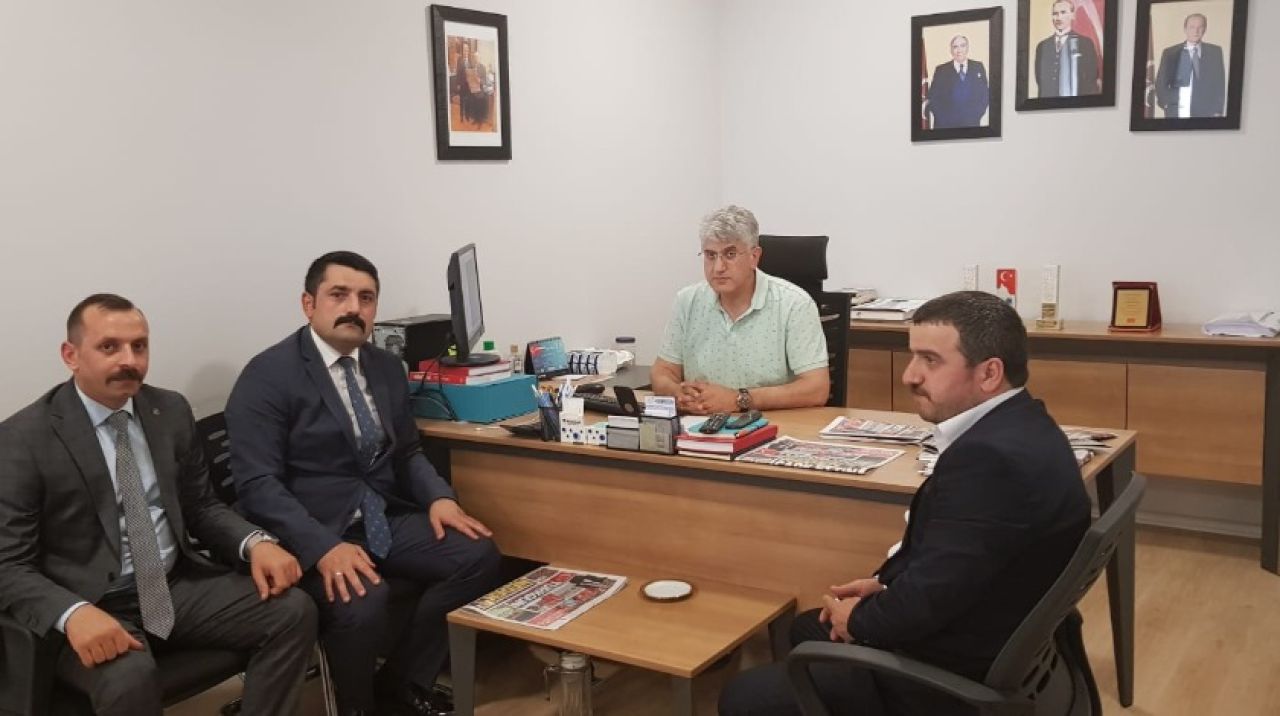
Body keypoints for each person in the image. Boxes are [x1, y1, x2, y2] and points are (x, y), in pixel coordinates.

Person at [718, 291, 1091, 716]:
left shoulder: (988, 461)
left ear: (989, 373)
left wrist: (859, 620)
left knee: (743, 697)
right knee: (808, 627)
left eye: (930, 360)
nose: (909, 376)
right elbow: (959, 562)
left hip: (948, 680)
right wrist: (885, 583)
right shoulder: (1027, 422)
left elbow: (928, 600)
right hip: (997, 639)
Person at [0, 294, 316, 716]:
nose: (129, 360)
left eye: (139, 346)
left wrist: (255, 542)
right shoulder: (23, 438)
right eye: (109, 347)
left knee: (293, 611)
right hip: (90, 600)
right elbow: (8, 564)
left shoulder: (169, 410)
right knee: (128, 677)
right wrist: (73, 614)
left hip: (171, 585)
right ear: (70, 355)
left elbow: (200, 506)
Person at [226, 251, 503, 716]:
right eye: (339, 295)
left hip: (380, 515)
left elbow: (407, 451)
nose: (354, 307)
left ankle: (401, 683)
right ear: (309, 304)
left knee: (477, 555)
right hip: (311, 528)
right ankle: (355, 707)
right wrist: (322, 547)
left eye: (366, 298)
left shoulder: (385, 367)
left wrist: (439, 498)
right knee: (362, 599)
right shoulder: (268, 375)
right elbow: (257, 483)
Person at [651, 205, 830, 415]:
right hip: (701, 424)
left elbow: (816, 389)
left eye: (730, 254)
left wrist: (739, 400)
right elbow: (662, 372)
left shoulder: (794, 304)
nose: (718, 267)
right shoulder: (687, 301)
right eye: (710, 255)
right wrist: (678, 393)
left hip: (771, 424)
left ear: (754, 256)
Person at [1155, 12, 1226, 118]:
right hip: (1176, 113)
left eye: (1200, 27)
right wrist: (1166, 105)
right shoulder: (1170, 53)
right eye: (1192, 27)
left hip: (1206, 114)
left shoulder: (1215, 52)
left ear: (1205, 29)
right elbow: (1161, 83)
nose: (1196, 31)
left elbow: (1219, 84)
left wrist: (1217, 111)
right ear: (1185, 29)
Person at [1034, 0, 1100, 98]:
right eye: (1055, 13)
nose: (1058, 17)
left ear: (1072, 15)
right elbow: (1040, 81)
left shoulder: (1085, 43)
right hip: (1048, 104)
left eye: (1063, 12)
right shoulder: (1042, 46)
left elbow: (1091, 78)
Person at [926, 35, 990, 129]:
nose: (959, 50)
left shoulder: (978, 67)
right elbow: (933, 98)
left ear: (967, 48)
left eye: (962, 46)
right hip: (945, 126)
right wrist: (943, 119)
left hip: (971, 124)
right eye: (955, 47)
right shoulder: (941, 70)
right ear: (951, 50)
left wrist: (975, 116)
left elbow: (984, 95)